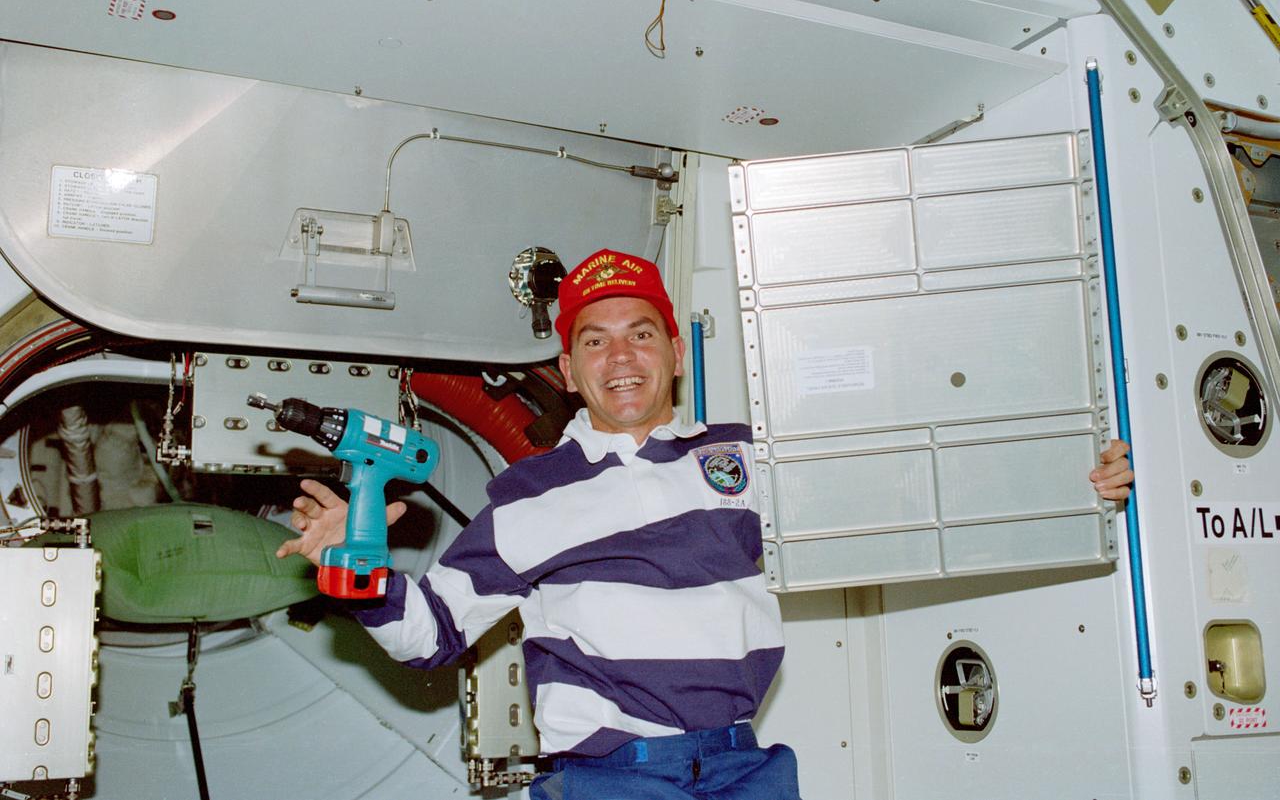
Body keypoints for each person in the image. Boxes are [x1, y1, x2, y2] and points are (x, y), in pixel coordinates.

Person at [277, 248, 1133, 799]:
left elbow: (907, 497)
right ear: (568, 368)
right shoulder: (529, 493)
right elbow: (428, 634)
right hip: (614, 778)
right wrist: (357, 565)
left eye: (642, 334)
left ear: (675, 351)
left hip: (743, 766)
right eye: (597, 341)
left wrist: (1069, 480)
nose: (622, 358)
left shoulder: (740, 456)